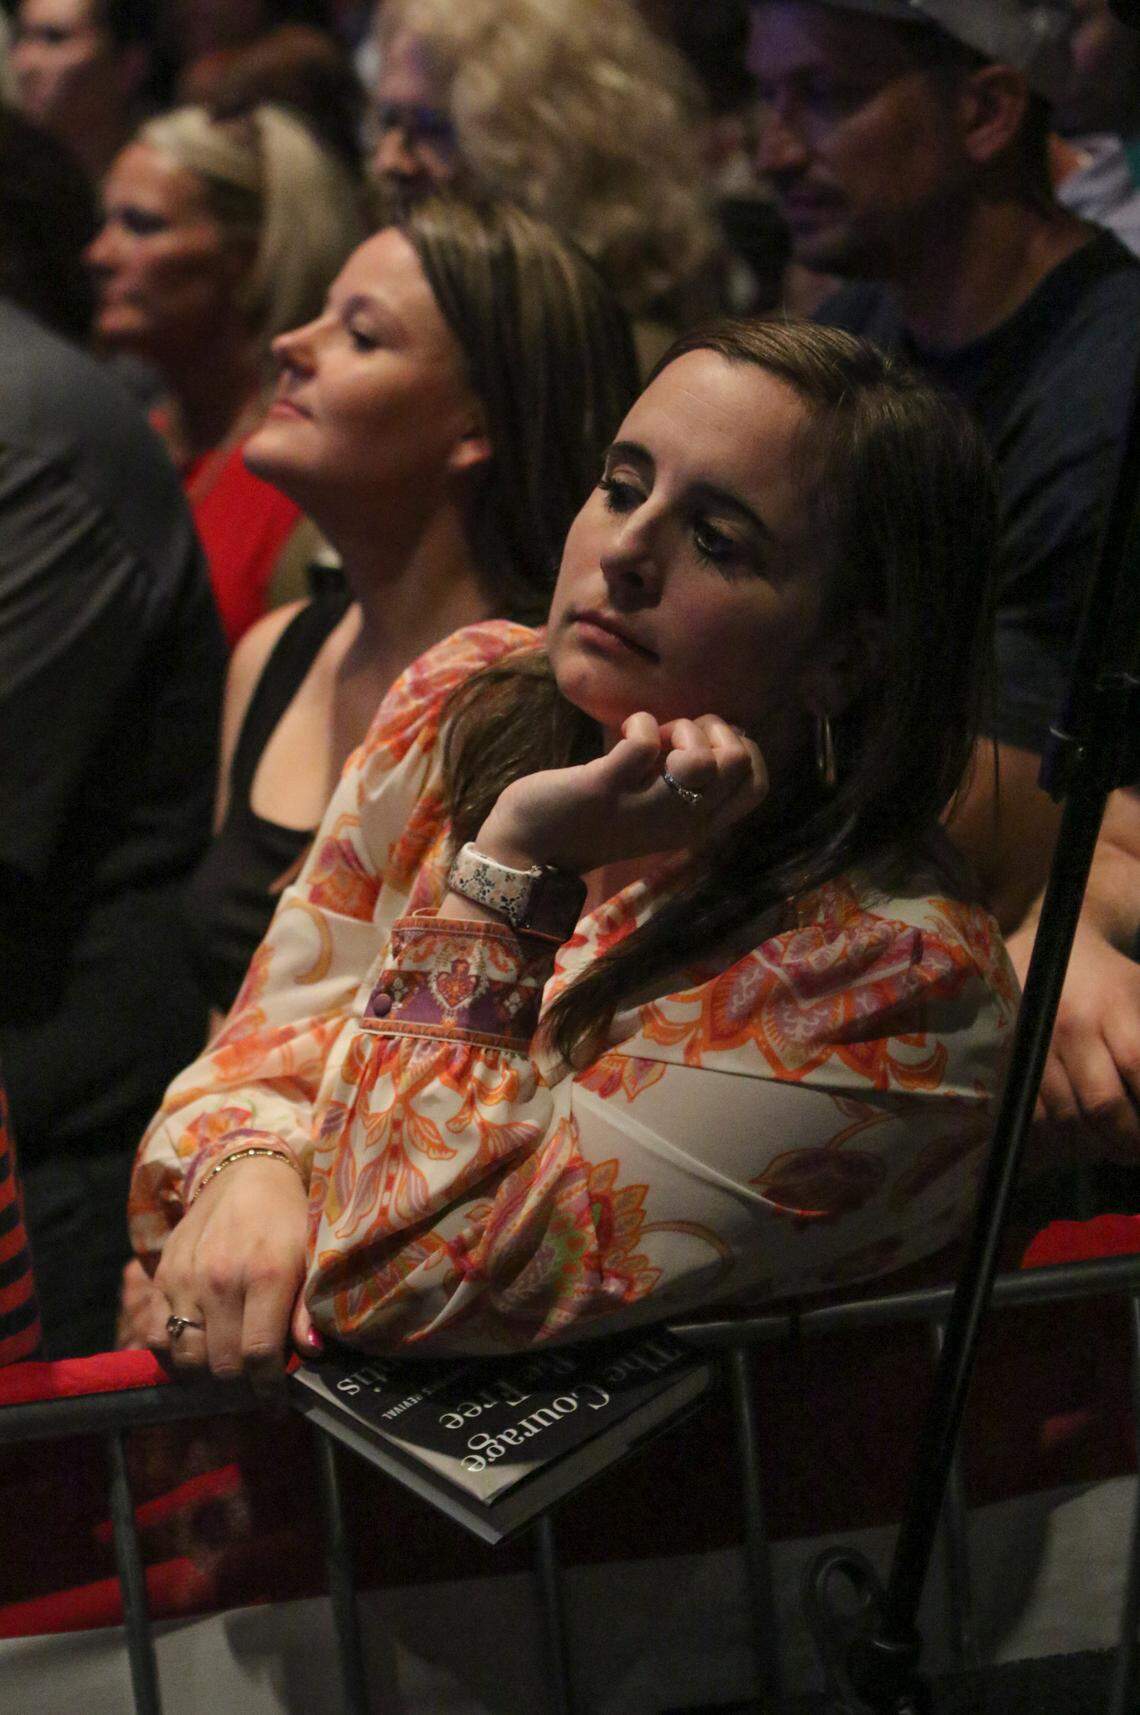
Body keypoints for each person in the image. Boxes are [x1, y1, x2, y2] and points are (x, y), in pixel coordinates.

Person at [129, 318, 1017, 1379]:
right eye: (623, 485)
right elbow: (233, 1074)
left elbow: (400, 1271)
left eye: (717, 540)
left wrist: (510, 873)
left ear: (846, 654)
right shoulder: (462, 697)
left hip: (658, 1534)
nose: (628, 551)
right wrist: (250, 1165)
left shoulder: (893, 980)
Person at [182, 193, 640, 1020]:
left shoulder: (553, 711)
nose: (290, 344)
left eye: (360, 335)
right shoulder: (276, 652)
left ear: (476, 425)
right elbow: (228, 1021)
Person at [747, 1, 1140, 937]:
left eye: (822, 96)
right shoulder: (843, 342)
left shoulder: (1115, 382)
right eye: (768, 96)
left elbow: (998, 831)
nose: (773, 152)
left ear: (986, 113)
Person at [85, 102, 366, 646]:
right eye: (106, 222)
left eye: (140, 225)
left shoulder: (298, 481)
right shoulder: (133, 438)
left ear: (247, 256)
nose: (99, 253)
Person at [369, 0, 720, 366]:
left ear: (549, 148)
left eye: (430, 127)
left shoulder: (624, 376)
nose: (387, 162)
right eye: (388, 121)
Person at [11, 0, 168, 186]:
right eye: (20, 36)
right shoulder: (12, 177)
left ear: (130, 65)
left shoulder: (166, 177)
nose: (23, 63)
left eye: (54, 38)